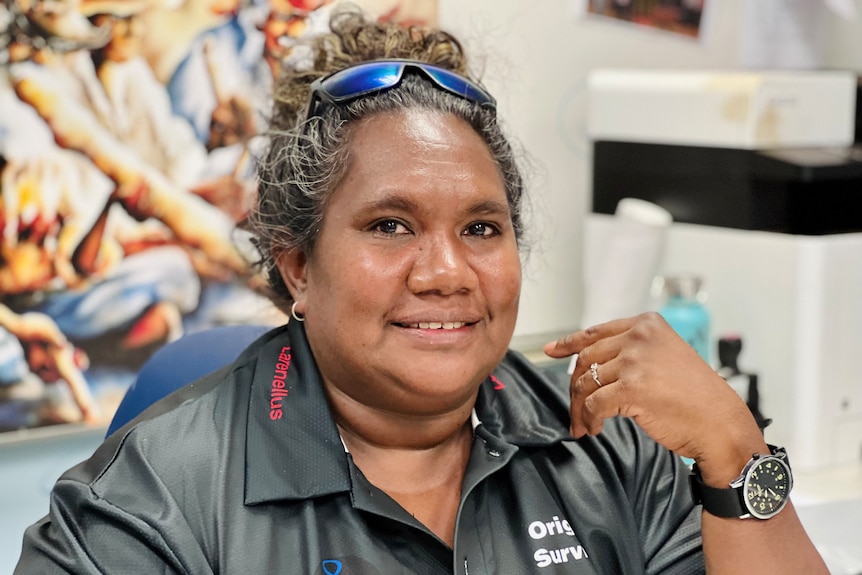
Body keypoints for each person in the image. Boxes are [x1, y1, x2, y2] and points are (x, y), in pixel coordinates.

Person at [15, 6, 828, 574]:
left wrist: (736, 451)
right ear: (297, 265)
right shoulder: (150, 500)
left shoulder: (613, 446)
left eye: (481, 227)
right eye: (391, 225)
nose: (446, 273)